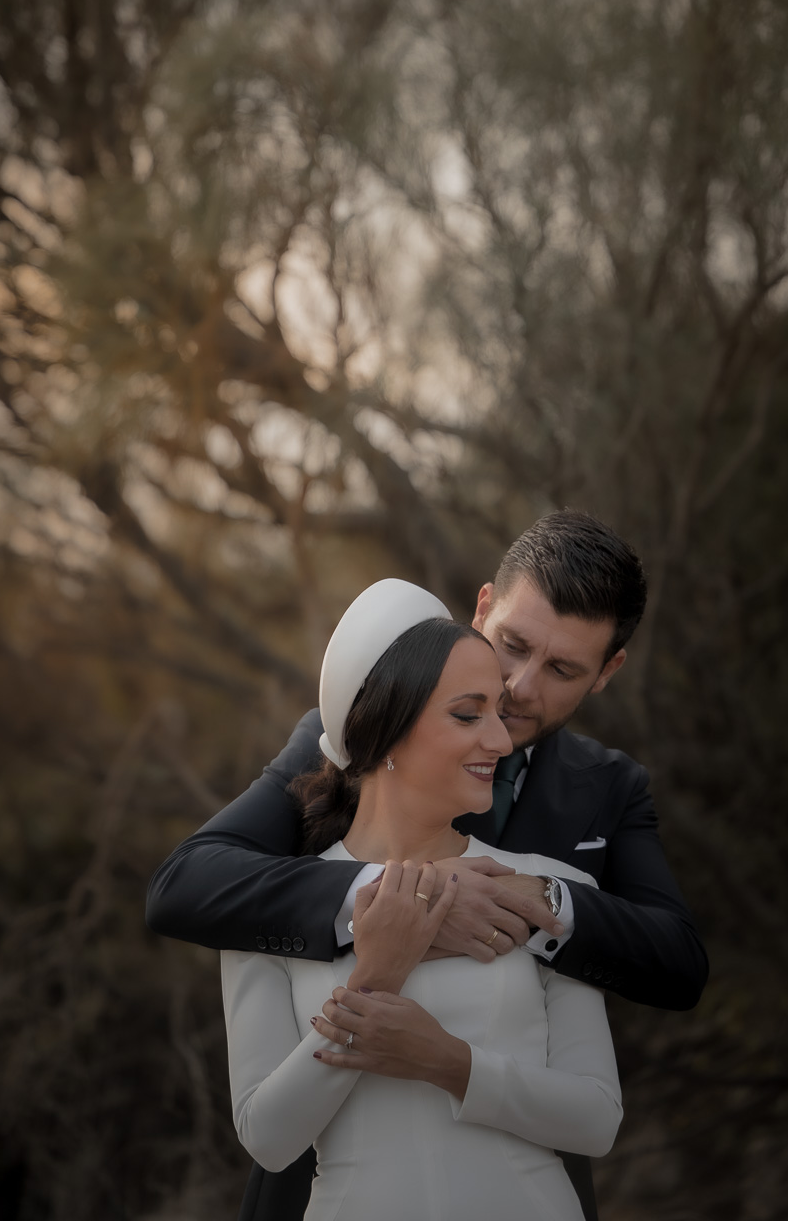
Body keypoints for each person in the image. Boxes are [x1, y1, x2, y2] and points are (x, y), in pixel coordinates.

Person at [147, 511, 708, 1221]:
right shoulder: (339, 733)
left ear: (608, 672)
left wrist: (548, 901)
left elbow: (678, 964)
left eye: (562, 668)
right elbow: (185, 884)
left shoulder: (612, 788)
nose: (520, 687)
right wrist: (393, 902)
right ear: (482, 609)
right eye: (511, 645)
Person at [219, 580, 622, 1219]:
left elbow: (597, 1119)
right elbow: (268, 1138)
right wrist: (376, 978)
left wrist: (449, 1063)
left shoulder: (544, 887)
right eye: (469, 715)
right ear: (389, 730)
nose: (498, 740)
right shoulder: (274, 912)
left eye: (496, 713)